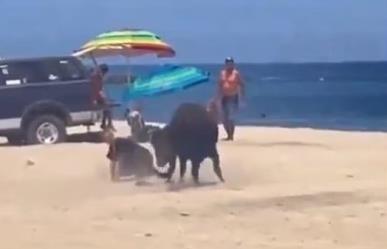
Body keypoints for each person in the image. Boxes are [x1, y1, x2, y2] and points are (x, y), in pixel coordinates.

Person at [217, 57, 244, 141]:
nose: (229, 64)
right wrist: (217, 97)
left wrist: (242, 96)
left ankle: (231, 135)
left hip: (233, 96)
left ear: (233, 64)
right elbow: (220, 85)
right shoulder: (222, 73)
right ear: (225, 64)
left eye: (230, 63)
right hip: (224, 97)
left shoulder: (236, 73)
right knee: (224, 118)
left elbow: (242, 84)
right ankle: (228, 134)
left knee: (231, 117)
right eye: (227, 63)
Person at [91, 64, 115, 131]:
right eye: (104, 73)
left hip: (97, 97)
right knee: (107, 108)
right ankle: (107, 124)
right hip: (95, 98)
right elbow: (95, 90)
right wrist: (96, 99)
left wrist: (104, 96)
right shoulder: (96, 77)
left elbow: (100, 89)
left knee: (107, 108)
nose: (105, 74)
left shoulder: (98, 77)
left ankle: (105, 123)